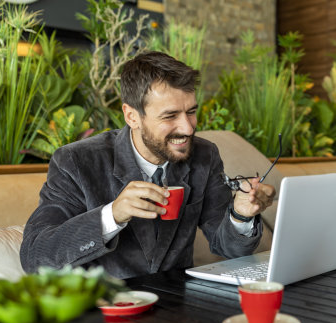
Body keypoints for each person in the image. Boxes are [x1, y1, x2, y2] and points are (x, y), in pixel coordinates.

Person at [20, 51, 276, 278]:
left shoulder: (204, 156)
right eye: (170, 116)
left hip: (178, 307)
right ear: (132, 116)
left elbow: (227, 247)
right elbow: (35, 257)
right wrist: (112, 215)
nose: (188, 128)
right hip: (104, 310)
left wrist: (240, 214)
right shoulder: (76, 161)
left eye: (191, 112)